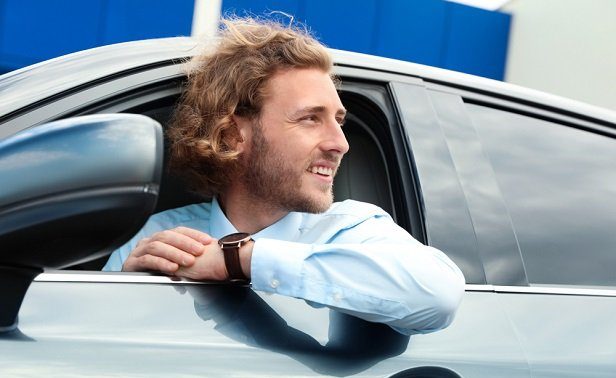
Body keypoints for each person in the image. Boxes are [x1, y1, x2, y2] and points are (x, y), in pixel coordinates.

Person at [103, 16, 465, 335]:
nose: (340, 144)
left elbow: (438, 295)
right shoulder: (154, 240)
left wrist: (235, 259)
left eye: (339, 121)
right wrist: (129, 293)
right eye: (310, 118)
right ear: (232, 135)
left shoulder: (354, 230)